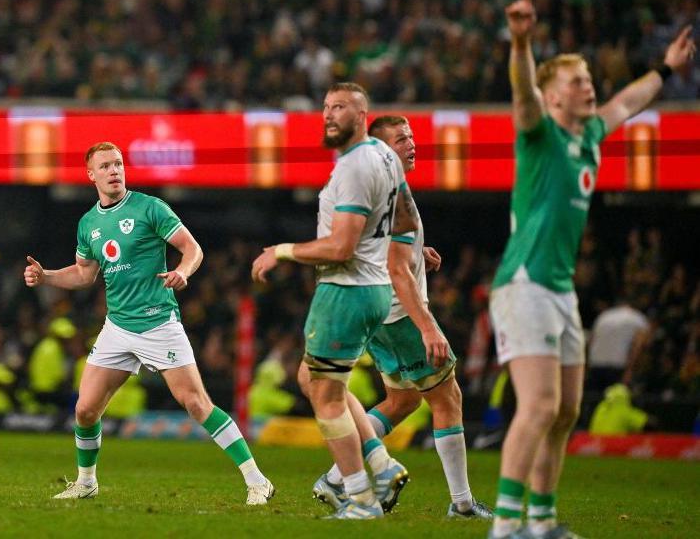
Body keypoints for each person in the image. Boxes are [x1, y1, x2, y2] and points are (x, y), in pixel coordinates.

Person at [489, 0, 695, 538]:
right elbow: (522, 92)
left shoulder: (592, 133)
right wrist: (521, 42)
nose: (589, 86)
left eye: (588, 79)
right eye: (577, 81)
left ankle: (541, 521)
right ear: (554, 96)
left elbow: (629, 101)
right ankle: (505, 526)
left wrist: (665, 68)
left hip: (559, 291)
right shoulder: (540, 133)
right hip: (525, 284)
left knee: (565, 412)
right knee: (538, 406)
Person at [25, 141, 273, 505]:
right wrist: (45, 276)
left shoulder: (150, 207)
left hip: (158, 323)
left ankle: (257, 480)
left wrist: (183, 271)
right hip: (118, 327)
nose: (114, 170)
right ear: (91, 174)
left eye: (118, 164)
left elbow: (192, 249)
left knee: (196, 403)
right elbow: (84, 274)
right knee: (85, 409)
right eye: (105, 166)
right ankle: (86, 482)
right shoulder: (89, 223)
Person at [312, 115, 492, 519]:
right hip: (401, 315)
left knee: (403, 399)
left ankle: (336, 479)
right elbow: (395, 269)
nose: (411, 144)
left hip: (377, 315)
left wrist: (416, 252)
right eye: (400, 139)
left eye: (411, 137)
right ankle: (462, 504)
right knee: (448, 398)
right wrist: (427, 326)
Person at [251, 82, 414, 519]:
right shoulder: (385, 157)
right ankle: (381, 464)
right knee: (314, 378)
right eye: (326, 107)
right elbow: (406, 219)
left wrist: (282, 251)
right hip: (374, 289)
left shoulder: (356, 166)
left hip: (345, 290)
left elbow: (340, 247)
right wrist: (397, 254)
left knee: (325, 397)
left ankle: (360, 497)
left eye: (339, 107)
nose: (328, 115)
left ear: (361, 116)